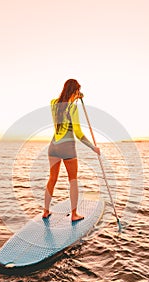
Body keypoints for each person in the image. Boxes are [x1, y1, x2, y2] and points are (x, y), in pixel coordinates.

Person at [43, 79, 100, 222]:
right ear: (74, 91)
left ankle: (45, 211)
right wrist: (93, 147)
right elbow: (79, 134)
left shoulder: (53, 103)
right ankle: (74, 215)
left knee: (52, 179)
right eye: (77, 91)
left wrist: (77, 95)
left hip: (53, 147)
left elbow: (62, 100)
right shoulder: (73, 109)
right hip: (67, 147)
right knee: (73, 181)